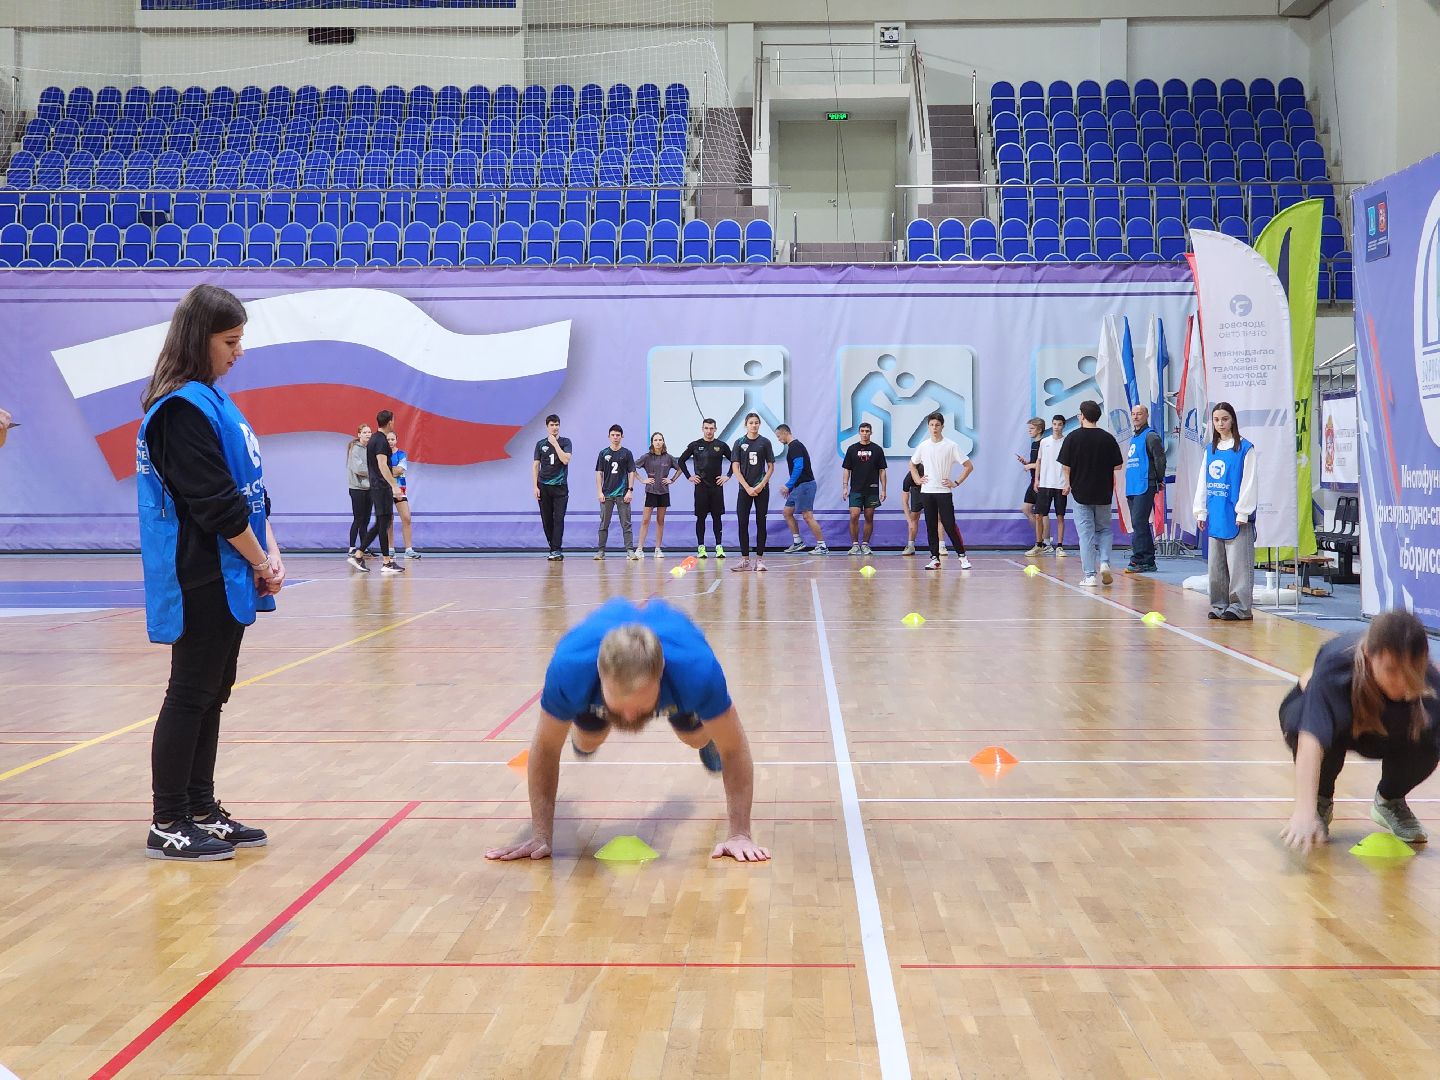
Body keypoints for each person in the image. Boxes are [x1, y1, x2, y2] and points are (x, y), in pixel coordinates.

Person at [136, 284, 281, 862]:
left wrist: (272, 549)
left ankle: (200, 807)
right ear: (200, 340)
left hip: (233, 570)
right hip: (199, 573)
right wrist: (257, 557)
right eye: (229, 340)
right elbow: (216, 504)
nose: (237, 351)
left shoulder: (215, 401)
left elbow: (253, 491)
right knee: (190, 693)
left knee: (213, 694)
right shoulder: (179, 410)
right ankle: (168, 818)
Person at [484, 598, 771, 864]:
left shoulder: (696, 670)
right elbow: (546, 748)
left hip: (677, 677)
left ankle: (705, 737)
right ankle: (592, 726)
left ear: (661, 674)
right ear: (599, 671)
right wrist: (540, 835)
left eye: (641, 704)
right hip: (594, 688)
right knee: (587, 740)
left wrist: (740, 834)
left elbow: (734, 747)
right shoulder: (569, 668)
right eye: (621, 705)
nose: (631, 716)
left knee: (695, 737)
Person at [1279, 611, 1439, 852]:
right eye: (1391, 670)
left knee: (1431, 737)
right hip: (1337, 722)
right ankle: (1320, 800)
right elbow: (1311, 737)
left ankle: (1390, 799)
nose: (1401, 681)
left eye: (1410, 671)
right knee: (1303, 720)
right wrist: (1304, 810)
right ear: (1368, 655)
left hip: (1384, 730)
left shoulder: (1431, 683)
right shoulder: (1336, 664)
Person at [1194, 401, 1257, 620]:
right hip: (1216, 513)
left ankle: (1240, 607)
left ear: (1233, 420)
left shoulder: (1245, 449)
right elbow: (1203, 481)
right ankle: (1219, 604)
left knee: (1239, 564)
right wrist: (1201, 511)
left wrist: (1243, 512)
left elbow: (1249, 482)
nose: (1220, 424)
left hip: (1236, 515)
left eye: (1225, 419)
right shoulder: (1210, 450)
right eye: (1216, 419)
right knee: (1216, 565)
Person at [1058, 399, 1123, 587]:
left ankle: (1090, 575)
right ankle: (1104, 562)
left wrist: (1067, 484)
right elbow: (1118, 465)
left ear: (1082, 416)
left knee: (1086, 534)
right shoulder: (1107, 438)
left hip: (1080, 493)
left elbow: (1065, 466)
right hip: (1103, 492)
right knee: (1104, 529)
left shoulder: (1072, 438)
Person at [908, 412, 973, 571]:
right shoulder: (923, 446)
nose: (934, 428)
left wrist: (956, 482)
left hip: (943, 492)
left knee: (949, 525)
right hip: (927, 492)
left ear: (942, 426)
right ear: (928, 427)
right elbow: (912, 464)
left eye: (937, 425)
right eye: (931, 425)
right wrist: (917, 480)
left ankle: (962, 557)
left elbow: (968, 466)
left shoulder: (951, 446)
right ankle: (934, 558)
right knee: (930, 526)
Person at [356, 410, 405, 575]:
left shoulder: (375, 439)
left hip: (378, 486)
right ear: (390, 422)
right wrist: (394, 485)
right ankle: (359, 553)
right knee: (381, 523)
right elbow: (383, 465)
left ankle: (386, 561)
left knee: (383, 523)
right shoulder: (381, 441)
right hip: (381, 486)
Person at [678, 418, 731, 559]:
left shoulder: (722, 445)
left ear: (715, 429)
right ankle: (701, 548)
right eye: (706, 428)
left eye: (711, 428)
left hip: (716, 488)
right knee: (700, 518)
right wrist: (689, 476)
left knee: (717, 517)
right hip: (701, 488)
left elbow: (735, 461)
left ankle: (719, 547)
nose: (709, 431)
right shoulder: (695, 445)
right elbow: (681, 460)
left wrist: (728, 476)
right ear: (702, 429)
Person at [1124, 404, 1166, 575]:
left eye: (1139, 414)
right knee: (1138, 523)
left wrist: (1159, 479)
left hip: (1145, 484)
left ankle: (1140, 558)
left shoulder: (1151, 436)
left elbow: (1160, 459)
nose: (1135, 417)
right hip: (1133, 486)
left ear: (1146, 415)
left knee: (1139, 522)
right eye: (1133, 414)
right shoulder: (1134, 438)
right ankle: (1148, 559)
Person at [730, 412, 775, 572]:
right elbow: (735, 467)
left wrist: (761, 485)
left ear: (759, 424)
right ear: (746, 424)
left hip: (761, 489)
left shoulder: (765, 442)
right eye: (751, 423)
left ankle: (760, 560)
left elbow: (770, 466)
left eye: (756, 422)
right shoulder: (739, 442)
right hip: (745, 489)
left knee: (760, 523)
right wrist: (747, 487)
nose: (754, 425)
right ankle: (744, 560)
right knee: (743, 523)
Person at [775, 424, 827, 555]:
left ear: (785, 433)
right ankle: (798, 542)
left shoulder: (795, 447)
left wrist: (788, 485)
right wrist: (792, 487)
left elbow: (799, 467)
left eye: (778, 436)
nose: (778, 439)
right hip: (798, 487)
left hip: (805, 485)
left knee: (807, 516)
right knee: (787, 512)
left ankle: (822, 546)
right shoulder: (792, 447)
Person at [594, 424, 639, 561]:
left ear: (622, 436)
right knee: (604, 524)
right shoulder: (603, 453)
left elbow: (632, 472)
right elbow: (598, 473)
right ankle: (601, 551)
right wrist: (599, 492)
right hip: (607, 494)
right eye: (613, 435)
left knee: (626, 523)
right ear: (609, 436)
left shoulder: (627, 453)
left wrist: (630, 491)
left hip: (622, 494)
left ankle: (630, 550)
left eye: (618, 435)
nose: (615, 437)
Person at [841, 422, 887, 556]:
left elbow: (882, 471)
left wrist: (883, 489)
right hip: (856, 489)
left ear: (871, 433)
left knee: (869, 516)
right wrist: (845, 486)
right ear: (859, 432)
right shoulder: (852, 449)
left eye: (867, 431)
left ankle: (865, 544)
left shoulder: (877, 449)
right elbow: (846, 469)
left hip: (872, 490)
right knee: (854, 515)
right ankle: (855, 545)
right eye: (862, 431)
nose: (865, 433)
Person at [533, 413, 573, 561]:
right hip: (543, 486)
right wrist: (535, 486)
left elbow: (565, 460)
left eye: (557, 425)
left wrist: (555, 444)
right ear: (547, 427)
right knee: (547, 519)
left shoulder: (565, 442)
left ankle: (557, 549)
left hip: (560, 486)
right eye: (552, 425)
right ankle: (553, 547)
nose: (554, 427)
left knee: (559, 518)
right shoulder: (540, 444)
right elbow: (536, 465)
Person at [635, 431, 680, 559]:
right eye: (655, 440)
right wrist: (642, 480)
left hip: (664, 492)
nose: (658, 442)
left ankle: (658, 549)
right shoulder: (647, 457)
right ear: (652, 443)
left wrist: (672, 479)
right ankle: (639, 549)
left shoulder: (669, 457)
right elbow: (632, 467)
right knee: (645, 520)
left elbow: (680, 468)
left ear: (663, 441)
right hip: (650, 492)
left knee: (660, 520)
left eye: (660, 439)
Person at [1032, 414, 1069, 558]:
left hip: (1060, 484)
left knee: (1060, 516)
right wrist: (1036, 479)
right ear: (1051, 425)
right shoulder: (1044, 442)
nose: (1056, 427)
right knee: (1039, 515)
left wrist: (1068, 483)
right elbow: (1039, 461)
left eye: (1059, 424)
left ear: (1063, 426)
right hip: (1045, 483)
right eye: (1054, 424)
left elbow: (1068, 465)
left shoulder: (1067, 442)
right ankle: (1039, 545)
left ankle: (1059, 546)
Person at [387, 429, 421, 559]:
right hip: (386, 489)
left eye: (392, 439)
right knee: (388, 520)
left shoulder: (401, 454)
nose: (390, 442)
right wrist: (392, 470)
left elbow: (399, 471)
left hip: (400, 490)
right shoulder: (382, 455)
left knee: (406, 518)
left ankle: (409, 550)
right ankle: (390, 549)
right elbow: (381, 470)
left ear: (396, 440)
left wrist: (390, 470)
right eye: (388, 439)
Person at [345, 424, 372, 572]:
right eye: (365, 432)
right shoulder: (355, 449)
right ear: (359, 434)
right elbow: (359, 469)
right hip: (357, 489)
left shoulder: (370, 449)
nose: (368, 434)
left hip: (369, 488)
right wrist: (375, 470)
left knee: (366, 519)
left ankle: (363, 547)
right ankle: (352, 547)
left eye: (369, 432)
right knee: (358, 518)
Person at [1018, 417, 1044, 555]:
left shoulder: (1043, 443)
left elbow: (1044, 464)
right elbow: (1035, 462)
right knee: (1026, 509)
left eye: (1032, 429)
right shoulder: (1034, 444)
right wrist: (1026, 462)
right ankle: (1041, 538)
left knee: (1041, 514)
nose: (1029, 431)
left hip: (1040, 481)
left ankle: (1044, 541)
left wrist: (1030, 465)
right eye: (1029, 429)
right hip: (1033, 479)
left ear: (1039, 429)